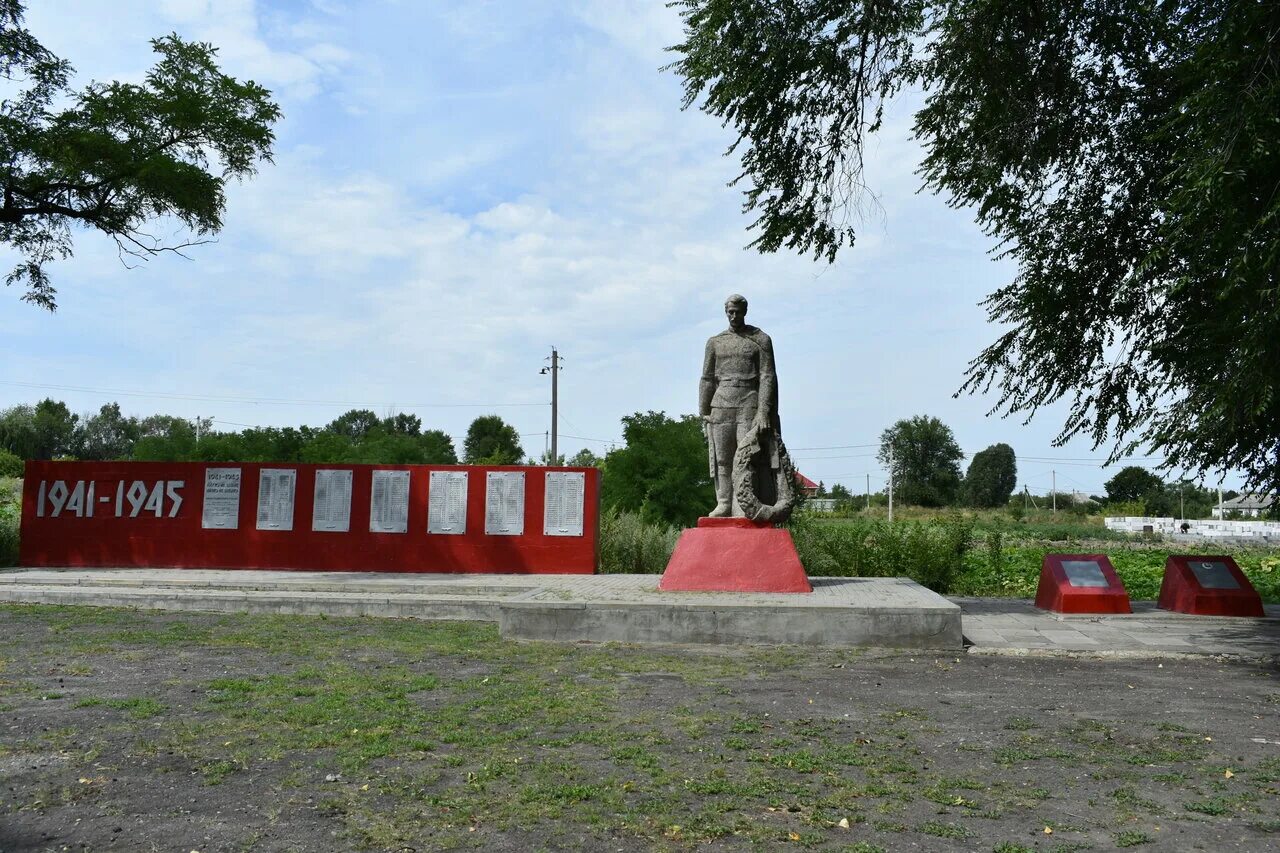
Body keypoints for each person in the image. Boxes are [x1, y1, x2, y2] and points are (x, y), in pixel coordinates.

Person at [699, 294, 784, 517]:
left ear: (745, 312)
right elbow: (707, 378)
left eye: (738, 311)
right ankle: (724, 502)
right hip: (721, 404)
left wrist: (764, 411)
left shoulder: (760, 339)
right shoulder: (715, 342)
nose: (734, 316)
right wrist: (703, 410)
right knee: (723, 458)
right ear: (725, 312)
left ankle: (741, 503)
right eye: (730, 312)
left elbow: (768, 376)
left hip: (749, 402)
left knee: (746, 456)